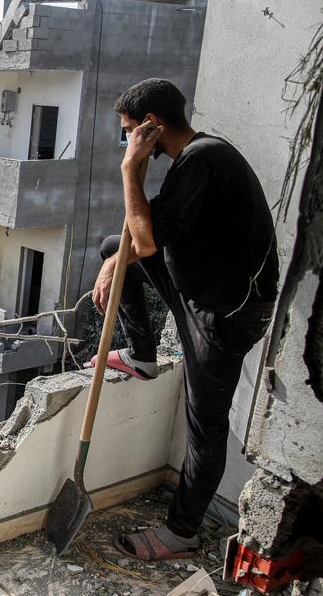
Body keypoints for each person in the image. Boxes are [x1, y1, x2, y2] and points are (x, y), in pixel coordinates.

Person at [91, 78, 279, 560]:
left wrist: (129, 167)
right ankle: (142, 355)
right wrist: (118, 260)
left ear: (151, 127)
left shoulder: (201, 159)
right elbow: (146, 234)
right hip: (201, 293)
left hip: (225, 314)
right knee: (115, 247)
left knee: (205, 425)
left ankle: (182, 532)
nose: (127, 141)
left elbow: (148, 242)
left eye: (129, 132)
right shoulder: (197, 158)